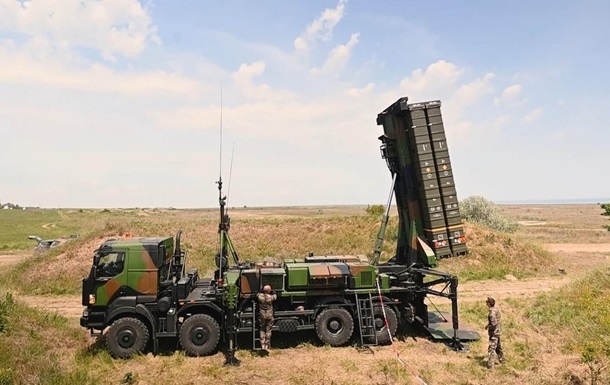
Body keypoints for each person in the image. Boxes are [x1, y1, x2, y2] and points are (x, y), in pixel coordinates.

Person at [485, 296, 505, 368]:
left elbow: (493, 323)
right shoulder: (496, 310)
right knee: (498, 347)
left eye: (487, 302)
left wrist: (489, 326)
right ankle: (502, 360)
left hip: (494, 333)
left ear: (489, 303)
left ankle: (491, 365)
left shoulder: (491, 313)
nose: (486, 303)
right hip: (498, 331)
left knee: (492, 348)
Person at [257, 284, 277, 350]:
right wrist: (273, 292)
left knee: (262, 329)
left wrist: (261, 291)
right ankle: (267, 344)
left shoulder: (260, 296)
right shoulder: (271, 297)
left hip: (262, 315)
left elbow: (257, 294)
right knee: (268, 330)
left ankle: (262, 344)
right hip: (269, 315)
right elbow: (275, 297)